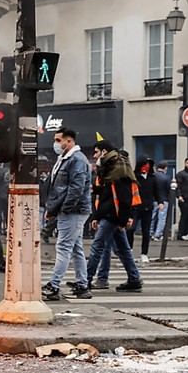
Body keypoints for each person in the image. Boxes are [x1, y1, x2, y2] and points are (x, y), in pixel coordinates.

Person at [85, 140, 143, 292]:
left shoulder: (117, 169)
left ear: (104, 152)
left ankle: (85, 281)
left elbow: (122, 197)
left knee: (98, 246)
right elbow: (108, 195)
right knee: (123, 249)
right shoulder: (111, 167)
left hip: (112, 215)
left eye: (96, 152)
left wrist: (123, 220)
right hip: (112, 214)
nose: (94, 155)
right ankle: (134, 278)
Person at [41, 128, 92, 301]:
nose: (55, 144)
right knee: (75, 248)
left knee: (63, 248)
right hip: (70, 210)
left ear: (68, 141)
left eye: (58, 140)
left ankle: (53, 286)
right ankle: (82, 285)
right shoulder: (64, 159)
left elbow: (75, 189)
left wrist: (63, 209)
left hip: (73, 211)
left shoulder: (76, 160)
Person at [127, 155, 155, 262]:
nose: (146, 167)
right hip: (136, 207)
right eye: (144, 165)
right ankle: (129, 250)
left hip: (148, 207)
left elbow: (156, 190)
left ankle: (144, 253)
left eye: (148, 165)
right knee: (131, 229)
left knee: (146, 232)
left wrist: (160, 201)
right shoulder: (134, 177)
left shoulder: (152, 177)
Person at [175, 158, 188, 240]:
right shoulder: (180, 174)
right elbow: (178, 186)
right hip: (184, 198)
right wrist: (179, 196)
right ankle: (181, 234)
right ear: (185, 163)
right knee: (184, 216)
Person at [151, 160, 171, 242]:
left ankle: (150, 232)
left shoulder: (152, 176)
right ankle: (158, 234)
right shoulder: (166, 177)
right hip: (164, 200)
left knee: (152, 217)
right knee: (161, 218)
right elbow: (169, 190)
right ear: (165, 168)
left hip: (153, 199)